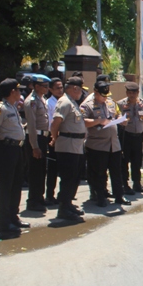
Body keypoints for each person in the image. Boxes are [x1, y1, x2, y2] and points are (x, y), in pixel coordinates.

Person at [81, 80, 130, 208]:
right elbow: (83, 121)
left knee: (116, 171)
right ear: (95, 92)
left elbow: (117, 115)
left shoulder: (111, 103)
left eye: (106, 95)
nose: (105, 98)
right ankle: (100, 197)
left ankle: (119, 196)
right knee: (99, 173)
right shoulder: (87, 105)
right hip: (97, 145)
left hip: (114, 144)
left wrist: (122, 121)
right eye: (102, 95)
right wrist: (99, 121)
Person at [49, 77, 87, 222]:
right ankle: (63, 209)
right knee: (68, 177)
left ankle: (68, 204)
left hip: (76, 145)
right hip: (67, 145)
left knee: (74, 177)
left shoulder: (72, 103)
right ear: (75, 89)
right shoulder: (64, 102)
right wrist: (54, 138)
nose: (81, 94)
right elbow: (55, 123)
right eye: (80, 90)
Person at [0, 78, 28, 235]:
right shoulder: (0, 109)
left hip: (16, 149)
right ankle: (4, 222)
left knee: (16, 185)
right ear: (12, 92)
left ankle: (13, 216)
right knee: (6, 187)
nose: (20, 93)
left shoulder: (12, 107)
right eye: (18, 90)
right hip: (5, 150)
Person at [23, 74, 51, 212]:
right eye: (44, 86)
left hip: (43, 137)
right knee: (35, 171)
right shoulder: (31, 101)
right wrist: (34, 146)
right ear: (37, 86)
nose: (47, 88)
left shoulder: (42, 99)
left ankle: (39, 197)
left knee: (41, 170)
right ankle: (33, 200)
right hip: (35, 138)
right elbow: (32, 126)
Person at [117, 82, 143, 195]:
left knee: (137, 161)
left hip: (138, 135)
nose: (132, 95)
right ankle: (124, 184)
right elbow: (117, 118)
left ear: (137, 93)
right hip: (126, 135)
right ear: (126, 93)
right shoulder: (120, 104)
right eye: (129, 93)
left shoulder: (142, 103)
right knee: (124, 160)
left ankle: (137, 183)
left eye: (134, 93)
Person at [44, 78, 64, 206]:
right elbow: (51, 123)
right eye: (57, 88)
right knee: (52, 169)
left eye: (61, 87)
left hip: (64, 138)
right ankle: (50, 195)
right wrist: (54, 138)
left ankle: (63, 195)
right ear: (50, 89)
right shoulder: (49, 104)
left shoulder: (64, 101)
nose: (60, 90)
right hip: (52, 138)